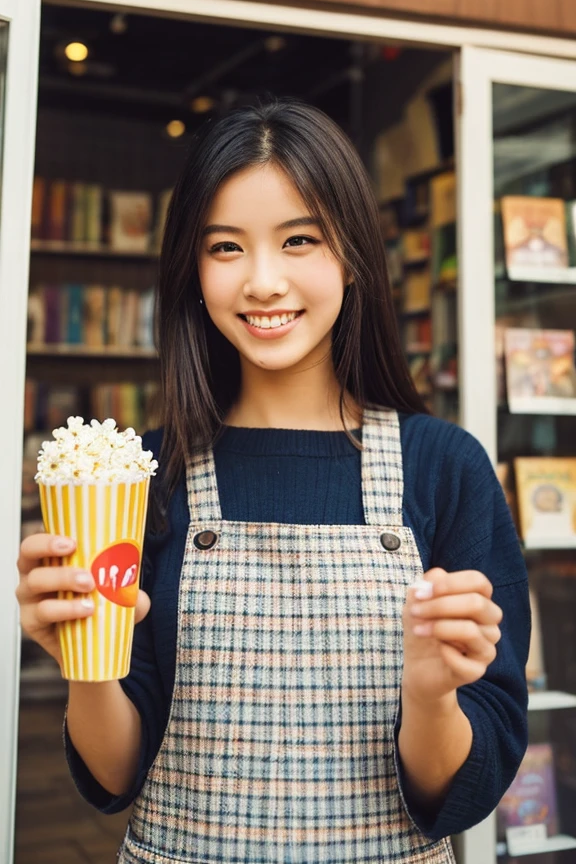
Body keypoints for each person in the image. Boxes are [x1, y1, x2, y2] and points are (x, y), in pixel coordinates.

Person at [17, 98, 530, 864]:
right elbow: (116, 773)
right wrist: (81, 659)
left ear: (352, 255)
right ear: (191, 269)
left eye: (300, 240)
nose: (262, 281)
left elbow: (464, 788)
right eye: (225, 247)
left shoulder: (445, 467)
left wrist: (430, 694)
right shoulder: (144, 477)